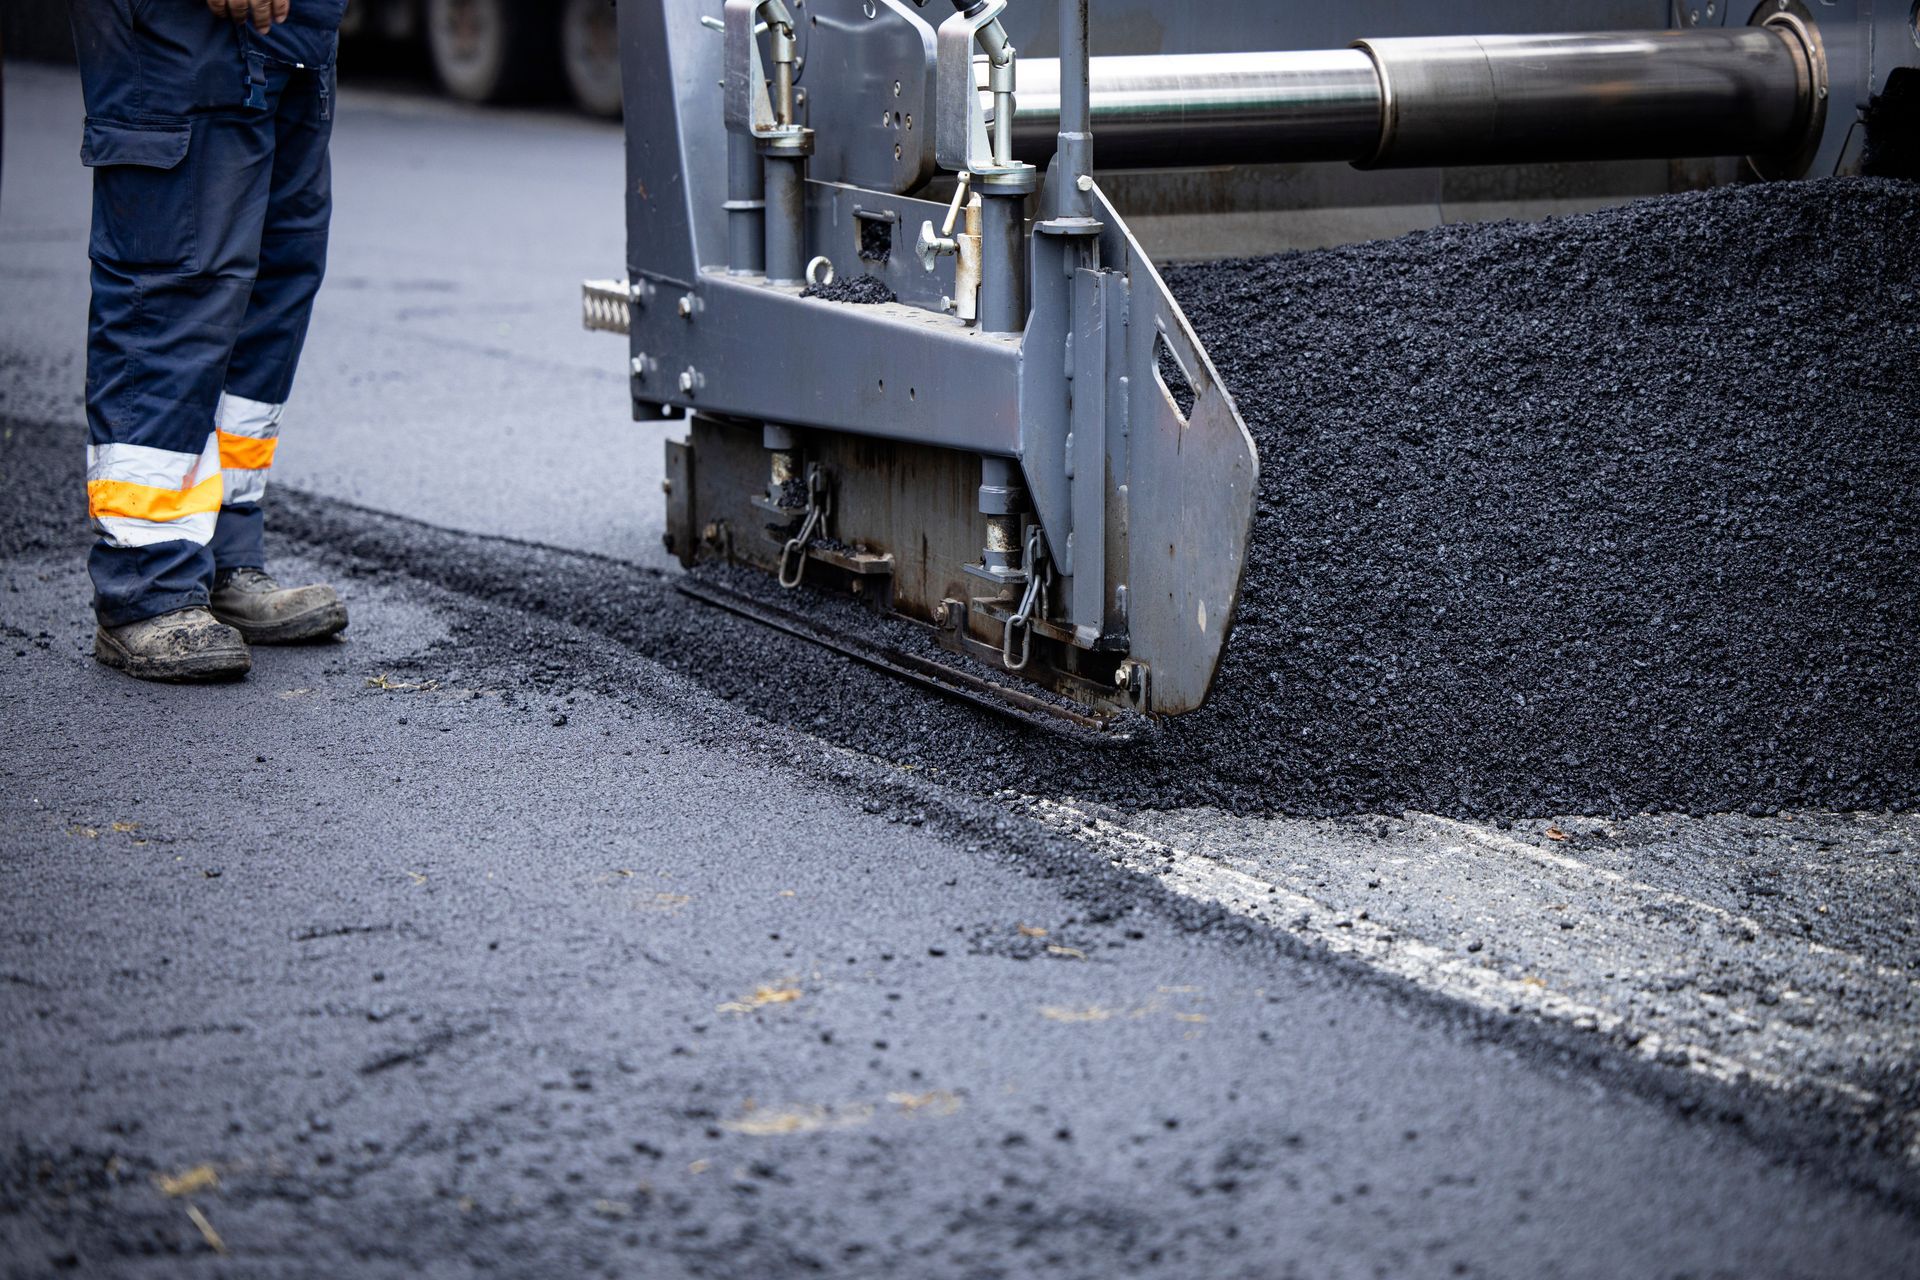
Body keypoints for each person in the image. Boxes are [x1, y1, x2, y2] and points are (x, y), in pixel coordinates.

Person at [69, 0, 350, 682]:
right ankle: (149, 580)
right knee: (175, 282)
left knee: (270, 283)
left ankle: (221, 553)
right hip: (178, 25)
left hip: (298, 27)